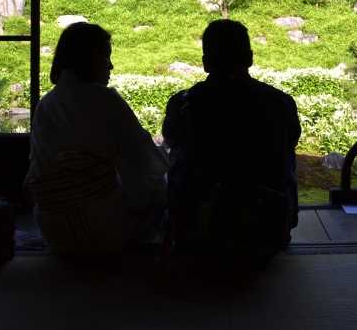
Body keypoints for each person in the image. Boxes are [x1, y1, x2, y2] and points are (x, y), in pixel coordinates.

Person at [162, 19, 301, 260]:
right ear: (249, 58)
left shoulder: (182, 103)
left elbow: (171, 141)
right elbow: (290, 143)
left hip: (198, 229)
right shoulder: (280, 102)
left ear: (205, 63)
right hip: (266, 228)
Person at [24, 22, 167, 256]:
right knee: (161, 183)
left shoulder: (46, 104)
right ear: (89, 58)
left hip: (52, 229)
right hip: (103, 229)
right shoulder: (105, 100)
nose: (111, 65)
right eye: (106, 57)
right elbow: (148, 162)